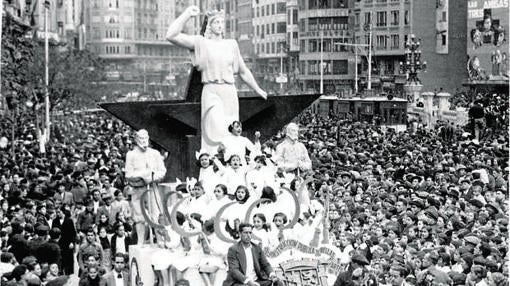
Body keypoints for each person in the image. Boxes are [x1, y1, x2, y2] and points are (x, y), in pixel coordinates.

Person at [166, 6, 267, 155]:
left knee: (231, 129)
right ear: (209, 25)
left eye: (222, 22)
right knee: (214, 129)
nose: (220, 25)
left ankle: (232, 164)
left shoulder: (231, 44)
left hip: (229, 91)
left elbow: (243, 71)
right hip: (211, 91)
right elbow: (171, 36)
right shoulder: (201, 43)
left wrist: (258, 89)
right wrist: (187, 14)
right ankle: (213, 164)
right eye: (216, 22)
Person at [125, 129, 166, 245]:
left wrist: (153, 177)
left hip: (152, 187)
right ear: (136, 140)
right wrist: (142, 176)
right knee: (139, 217)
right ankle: (141, 241)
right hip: (138, 188)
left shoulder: (155, 153)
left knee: (155, 215)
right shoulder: (131, 155)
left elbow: (162, 171)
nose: (143, 141)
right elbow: (128, 174)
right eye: (141, 139)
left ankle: (159, 240)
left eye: (145, 139)